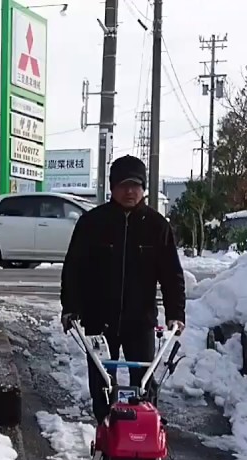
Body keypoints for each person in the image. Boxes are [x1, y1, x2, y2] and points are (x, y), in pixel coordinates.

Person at [60, 155, 186, 423]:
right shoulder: (92, 223)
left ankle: (143, 434)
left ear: (144, 189)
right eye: (124, 185)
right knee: (103, 383)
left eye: (136, 185)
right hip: (98, 318)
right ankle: (106, 430)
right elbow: (74, 269)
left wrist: (176, 313)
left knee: (144, 382)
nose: (130, 191)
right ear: (112, 187)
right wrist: (70, 308)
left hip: (139, 319)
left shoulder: (157, 226)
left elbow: (172, 275)